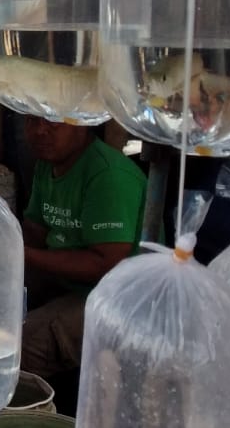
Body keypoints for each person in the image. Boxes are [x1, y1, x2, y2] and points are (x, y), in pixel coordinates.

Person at [18, 116, 147, 380]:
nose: (40, 130)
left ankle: (39, 413)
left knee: (22, 344)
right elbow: (34, 231)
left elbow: (105, 265)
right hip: (65, 280)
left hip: (116, 296)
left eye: (53, 122)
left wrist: (25, 255)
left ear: (82, 122)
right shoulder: (48, 164)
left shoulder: (108, 175)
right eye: (32, 121)